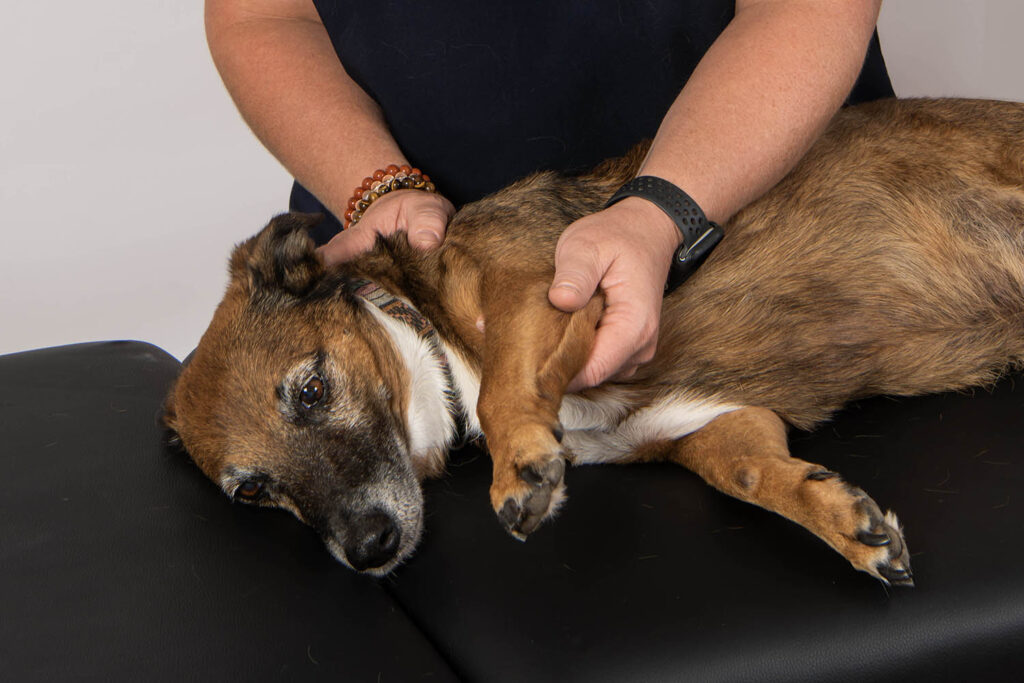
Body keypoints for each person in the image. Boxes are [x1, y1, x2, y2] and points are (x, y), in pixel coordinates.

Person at [205, 0, 891, 391]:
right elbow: (263, 16)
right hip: (421, 315)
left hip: (767, 253)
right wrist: (377, 188)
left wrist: (662, 214)